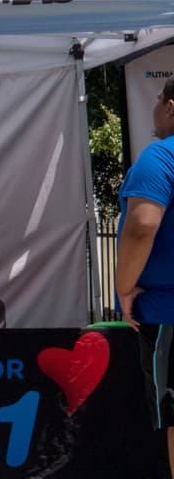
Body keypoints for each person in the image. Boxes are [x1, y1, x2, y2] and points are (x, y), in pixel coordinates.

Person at [118, 79, 174, 479]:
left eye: (157, 99)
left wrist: (122, 289)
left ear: (170, 107)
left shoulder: (160, 156)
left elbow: (141, 226)